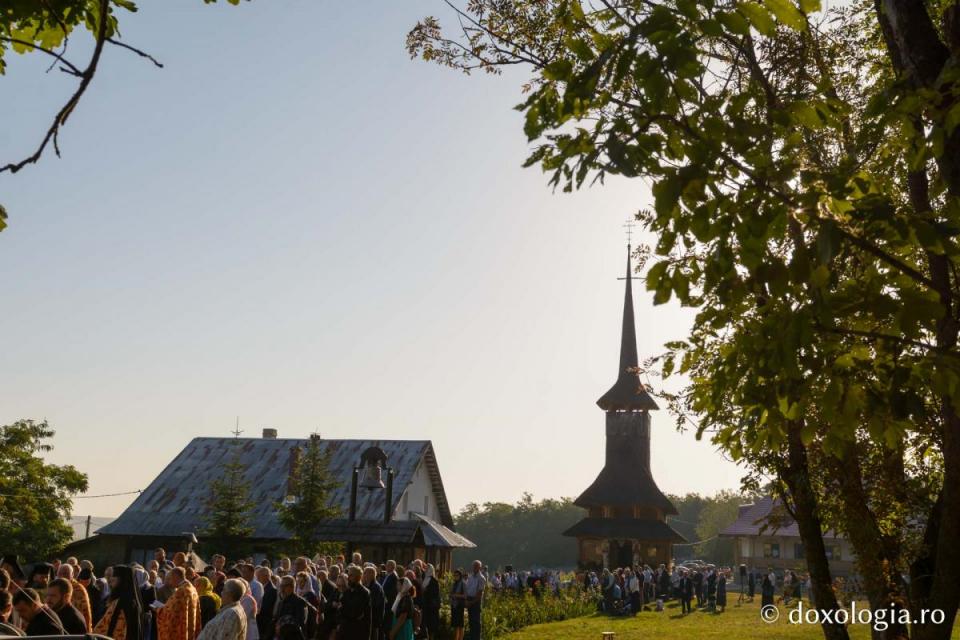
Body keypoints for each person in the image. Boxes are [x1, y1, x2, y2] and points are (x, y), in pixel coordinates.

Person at [94, 565, 144, 640]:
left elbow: (115, 626)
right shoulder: (128, 600)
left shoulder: (124, 602)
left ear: (122, 581)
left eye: (113, 580)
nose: (110, 583)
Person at [156, 567, 201, 640]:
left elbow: (172, 612)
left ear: (175, 577)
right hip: (189, 628)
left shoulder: (181, 592)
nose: (170, 582)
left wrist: (159, 610)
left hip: (179, 632)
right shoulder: (192, 588)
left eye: (170, 579)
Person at [338, 565, 371, 640]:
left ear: (358, 577)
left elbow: (356, 613)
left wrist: (343, 609)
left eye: (351, 575)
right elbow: (340, 610)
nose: (348, 578)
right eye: (348, 575)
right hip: (344, 631)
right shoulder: (347, 591)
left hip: (357, 632)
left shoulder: (364, 593)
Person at [56, 563, 92, 631]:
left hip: (74, 625)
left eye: (65, 573)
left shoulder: (79, 589)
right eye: (60, 573)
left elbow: (84, 612)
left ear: (72, 575)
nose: (62, 576)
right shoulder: (55, 587)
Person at [275, 575, 308, 640]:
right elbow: (277, 618)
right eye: (281, 586)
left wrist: (283, 627)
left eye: (284, 586)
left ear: (291, 587)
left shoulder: (299, 602)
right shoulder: (281, 602)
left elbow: (299, 622)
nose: (282, 589)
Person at [362, 566, 385, 640]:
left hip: (374, 620)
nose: (363, 575)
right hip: (369, 620)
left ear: (371, 575)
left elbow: (374, 604)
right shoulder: (368, 585)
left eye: (365, 573)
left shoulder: (376, 587)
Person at [254, 567, 277, 640]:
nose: (257, 578)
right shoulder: (263, 587)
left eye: (258, 576)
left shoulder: (272, 590)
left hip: (265, 624)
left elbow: (265, 608)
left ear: (266, 576)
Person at [464, 560, 484, 640]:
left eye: (476, 566)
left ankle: (477, 638)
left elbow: (480, 593)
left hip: (475, 601)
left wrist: (471, 602)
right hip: (469, 599)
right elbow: (467, 589)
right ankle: (472, 637)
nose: (475, 568)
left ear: (480, 567)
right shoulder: (470, 577)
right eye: (474, 566)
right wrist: (466, 600)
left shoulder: (481, 578)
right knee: (471, 621)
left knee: (476, 622)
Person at [418, 564, 439, 639]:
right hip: (424, 605)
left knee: (431, 625)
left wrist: (426, 590)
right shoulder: (424, 578)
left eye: (427, 568)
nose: (426, 570)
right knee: (424, 624)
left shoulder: (434, 581)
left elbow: (435, 593)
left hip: (431, 607)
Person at [449, 570, 466, 640]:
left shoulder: (463, 583)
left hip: (459, 606)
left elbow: (465, 595)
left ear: (460, 576)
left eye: (457, 575)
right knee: (455, 625)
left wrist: (456, 595)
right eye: (454, 575)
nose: (455, 577)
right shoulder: (454, 584)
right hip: (454, 605)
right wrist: (451, 595)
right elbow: (451, 593)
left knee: (460, 625)